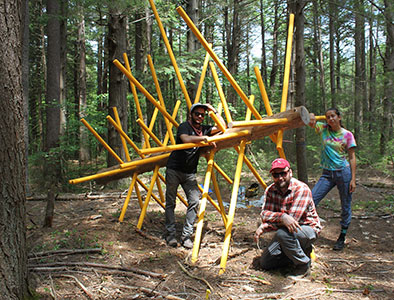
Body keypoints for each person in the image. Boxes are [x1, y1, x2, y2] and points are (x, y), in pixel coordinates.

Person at [165, 103, 224, 249]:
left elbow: (223, 127)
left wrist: (213, 110)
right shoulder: (184, 126)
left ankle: (186, 236)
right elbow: (185, 139)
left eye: (202, 115)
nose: (199, 117)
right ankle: (171, 235)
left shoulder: (204, 129)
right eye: (197, 114)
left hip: (190, 173)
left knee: (194, 201)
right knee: (170, 202)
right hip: (174, 170)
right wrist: (205, 139)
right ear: (191, 114)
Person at [254, 158, 321, 277]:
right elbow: (264, 214)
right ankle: (297, 254)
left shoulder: (301, 189)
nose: (280, 178)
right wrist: (281, 217)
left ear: (290, 172)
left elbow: (292, 221)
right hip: (286, 231)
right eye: (276, 175)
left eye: (283, 173)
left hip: (306, 228)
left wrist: (267, 226)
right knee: (265, 262)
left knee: (282, 233)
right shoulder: (271, 190)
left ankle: (303, 265)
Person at [309, 108, 356, 251]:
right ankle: (308, 230)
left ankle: (342, 236)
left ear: (339, 117)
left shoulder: (347, 135)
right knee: (311, 199)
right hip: (327, 174)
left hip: (344, 173)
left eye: (333, 116)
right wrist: (311, 115)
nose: (330, 119)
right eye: (328, 117)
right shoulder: (323, 129)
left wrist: (353, 179)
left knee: (345, 204)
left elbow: (352, 157)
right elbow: (310, 121)